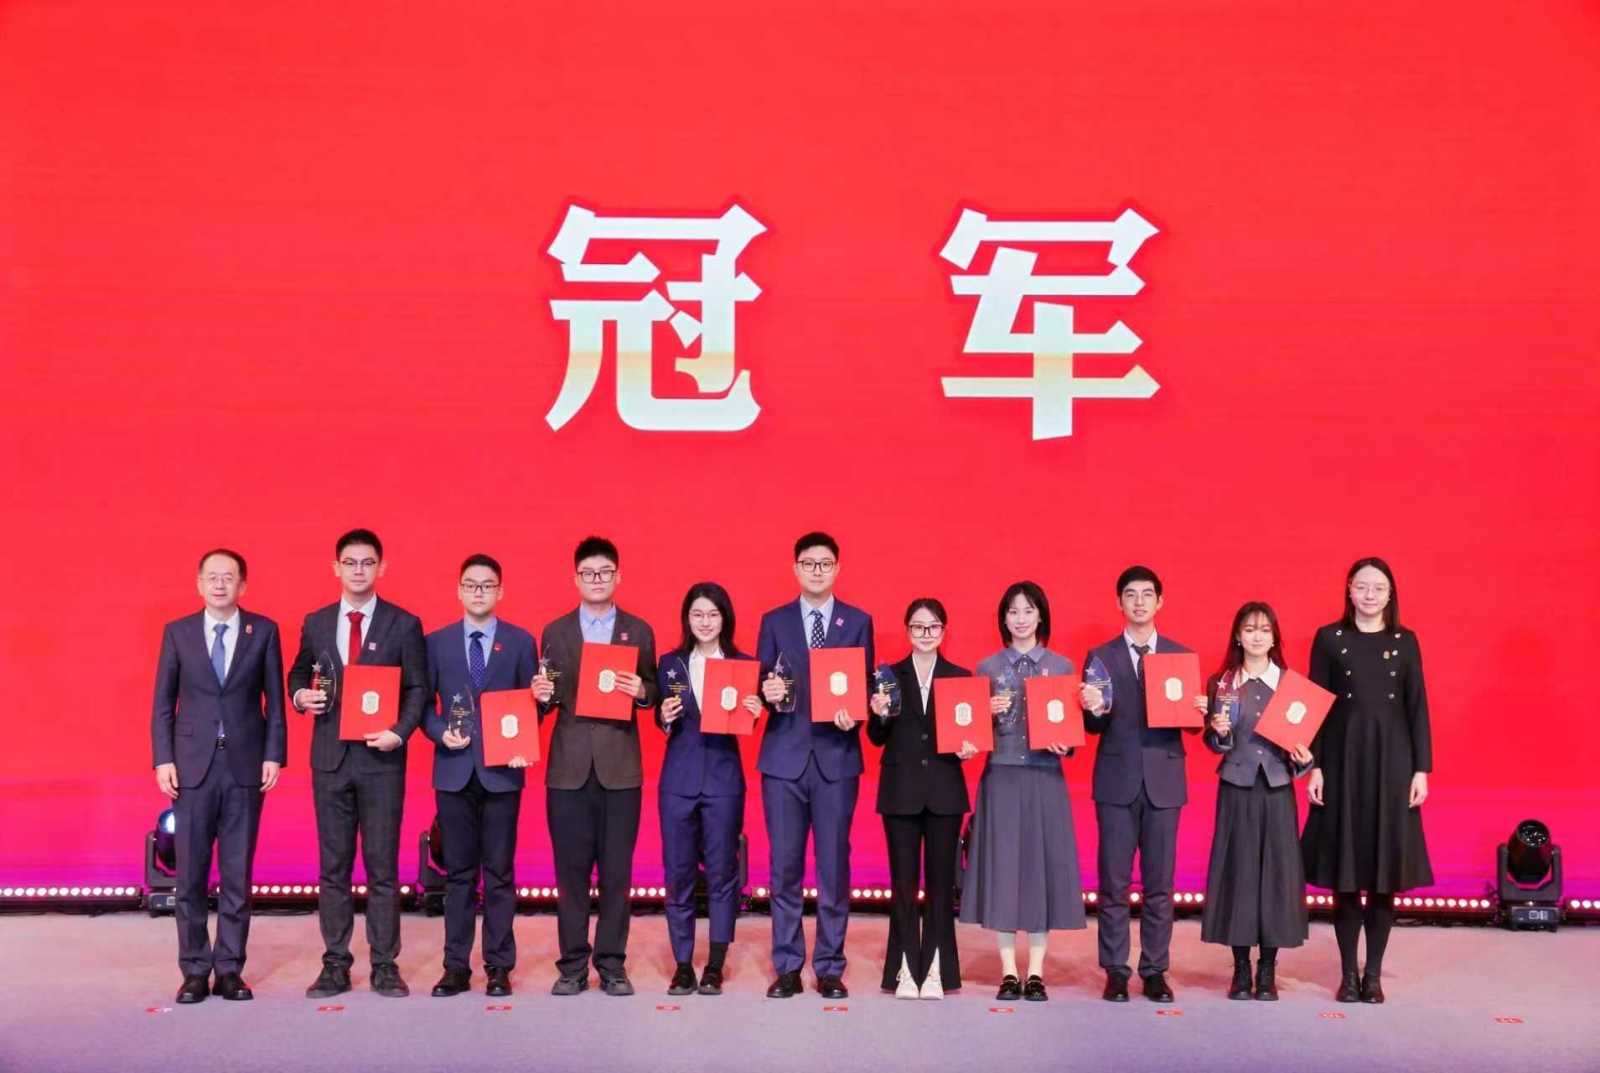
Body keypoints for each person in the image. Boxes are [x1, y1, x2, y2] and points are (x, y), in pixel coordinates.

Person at [287, 528, 429, 999]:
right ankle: (335, 964)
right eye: (350, 562)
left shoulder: (403, 624)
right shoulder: (317, 622)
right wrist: (300, 696)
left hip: (381, 759)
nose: (359, 570)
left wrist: (400, 732)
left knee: (382, 867)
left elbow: (417, 688)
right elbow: (298, 672)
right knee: (334, 867)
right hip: (330, 759)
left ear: (381, 568)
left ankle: (385, 964)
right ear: (336, 568)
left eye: (368, 562)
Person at [151, 548, 286, 1004]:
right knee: (189, 874)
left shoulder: (263, 631)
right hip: (191, 767)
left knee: (236, 874)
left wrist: (274, 755)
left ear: (243, 585)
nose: (220, 583)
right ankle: (194, 970)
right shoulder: (179, 633)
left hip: (245, 765)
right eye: (212, 576)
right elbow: (163, 703)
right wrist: (163, 759)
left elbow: (274, 702)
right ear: (199, 583)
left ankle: (229, 969)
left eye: (229, 577)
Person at [1300, 557, 1433, 1004]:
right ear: (1349, 590)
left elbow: (1417, 707)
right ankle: (1347, 975)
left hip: (1392, 765)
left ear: (1390, 594)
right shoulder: (1329, 638)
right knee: (1346, 875)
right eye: (1362, 586)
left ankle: (1372, 974)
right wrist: (1315, 766)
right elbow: (1315, 705)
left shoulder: (1405, 640)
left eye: (1378, 587)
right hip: (1342, 763)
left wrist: (1421, 770)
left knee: (1382, 877)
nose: (1370, 594)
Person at [534, 535, 658, 997]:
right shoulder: (555, 631)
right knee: (569, 875)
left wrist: (641, 691)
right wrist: (540, 697)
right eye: (588, 573)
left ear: (618, 576)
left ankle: (611, 964)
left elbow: (654, 690)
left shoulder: (639, 631)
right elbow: (547, 696)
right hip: (568, 769)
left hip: (620, 767)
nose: (597, 580)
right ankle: (571, 966)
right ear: (576, 579)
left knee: (616, 874)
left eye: (605, 572)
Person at [756, 531, 874, 1000]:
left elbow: (863, 688)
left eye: (825, 563)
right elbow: (763, 681)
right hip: (783, 760)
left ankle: (829, 966)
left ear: (837, 568)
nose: (817, 571)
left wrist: (855, 715)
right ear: (795, 569)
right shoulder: (774, 621)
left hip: (836, 759)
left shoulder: (858, 622)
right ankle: (787, 966)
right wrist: (767, 691)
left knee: (834, 868)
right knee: (784, 867)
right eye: (809, 563)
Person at [959, 582, 1085, 1002]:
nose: (1021, 619)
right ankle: (1009, 971)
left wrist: (1065, 745)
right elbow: (969, 732)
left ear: (1041, 615)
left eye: (1028, 610)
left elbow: (1070, 732)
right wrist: (983, 715)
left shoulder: (1062, 667)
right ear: (1003, 618)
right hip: (1002, 777)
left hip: (1046, 777)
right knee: (1004, 870)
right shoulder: (987, 668)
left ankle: (1035, 972)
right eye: (1013, 611)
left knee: (1039, 870)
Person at [421, 554, 537, 998]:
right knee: (458, 875)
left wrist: (525, 741)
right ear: (459, 590)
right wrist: (439, 733)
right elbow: (423, 706)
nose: (479, 592)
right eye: (471, 585)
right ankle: (455, 967)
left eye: (487, 585)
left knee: (500, 873)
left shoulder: (521, 642)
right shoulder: (436, 643)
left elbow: (533, 707)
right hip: (453, 772)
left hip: (503, 773)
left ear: (500, 591)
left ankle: (499, 967)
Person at [1082, 564, 1199, 1003]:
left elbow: (1190, 724)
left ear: (1160, 601)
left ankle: (1154, 970)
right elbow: (1093, 726)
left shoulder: (1179, 656)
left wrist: (1199, 708)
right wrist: (1091, 708)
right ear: (1119, 602)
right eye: (1130, 594)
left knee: (1160, 884)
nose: (1139, 602)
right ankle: (1115, 969)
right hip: (1116, 781)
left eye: (1147, 594)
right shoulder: (1100, 656)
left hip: (1165, 780)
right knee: (1113, 883)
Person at [1194, 602, 1312, 1001]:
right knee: (1239, 874)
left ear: (1275, 637)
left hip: (1277, 789)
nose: (1257, 636)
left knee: (1277, 877)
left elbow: (1305, 745)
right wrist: (1218, 732)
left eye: (1264, 629)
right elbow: (1215, 742)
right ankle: (1241, 967)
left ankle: (1268, 969)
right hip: (1237, 786)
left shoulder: (1292, 685)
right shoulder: (1222, 683)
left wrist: (1305, 760)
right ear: (1237, 636)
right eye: (1249, 629)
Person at [655, 582, 763, 997]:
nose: (705, 622)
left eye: (713, 614)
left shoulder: (743, 665)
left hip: (723, 781)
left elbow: (750, 720)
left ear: (725, 619)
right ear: (687, 618)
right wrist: (664, 716)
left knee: (722, 875)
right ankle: (683, 964)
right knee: (678, 874)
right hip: (678, 781)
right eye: (697, 614)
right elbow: (662, 719)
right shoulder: (670, 664)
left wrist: (755, 711)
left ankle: (715, 964)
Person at [866, 598, 975, 1000]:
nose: (925, 634)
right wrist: (879, 713)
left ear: (944, 631)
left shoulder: (960, 678)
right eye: (917, 626)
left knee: (942, 886)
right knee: (903, 885)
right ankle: (904, 970)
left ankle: (937, 972)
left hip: (945, 791)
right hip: (900, 791)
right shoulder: (887, 676)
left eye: (932, 627)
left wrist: (968, 747)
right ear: (907, 630)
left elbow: (969, 735)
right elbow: (876, 737)